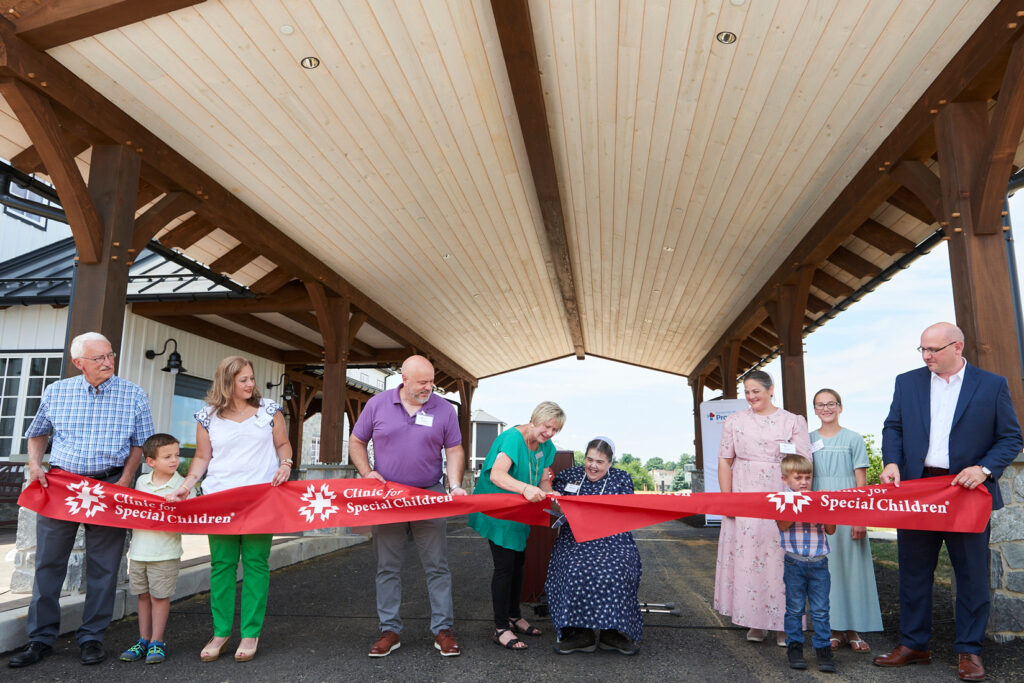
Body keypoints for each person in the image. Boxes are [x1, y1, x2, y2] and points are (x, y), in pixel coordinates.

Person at [874, 322, 1022, 682]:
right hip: (918, 491)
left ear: (957, 347)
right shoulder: (907, 382)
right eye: (922, 349)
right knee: (913, 572)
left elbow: (1010, 438)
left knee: (972, 575)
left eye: (933, 350)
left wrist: (984, 469)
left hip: (966, 493)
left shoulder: (992, 385)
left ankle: (969, 651)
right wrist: (891, 462)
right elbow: (894, 427)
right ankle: (914, 645)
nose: (926, 356)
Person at [8, 332, 154, 669]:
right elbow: (38, 431)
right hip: (63, 486)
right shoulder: (57, 391)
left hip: (109, 486)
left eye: (110, 355)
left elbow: (141, 443)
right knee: (48, 564)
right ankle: (40, 639)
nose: (108, 362)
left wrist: (126, 479)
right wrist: (35, 465)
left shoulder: (134, 394)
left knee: (104, 567)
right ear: (79, 363)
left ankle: (91, 638)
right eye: (99, 358)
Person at [166, 356, 293, 663]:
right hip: (220, 501)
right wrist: (187, 484)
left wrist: (286, 464)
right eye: (243, 380)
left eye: (251, 378)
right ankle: (220, 633)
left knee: (256, 564)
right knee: (222, 566)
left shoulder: (269, 410)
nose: (250, 384)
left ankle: (250, 633)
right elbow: (202, 457)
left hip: (260, 499)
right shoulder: (207, 416)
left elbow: (282, 445)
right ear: (227, 382)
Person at [349, 355, 466, 658]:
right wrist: (366, 472)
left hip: (428, 495)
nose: (429, 387)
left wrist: (454, 484)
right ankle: (389, 630)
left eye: (432, 382)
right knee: (387, 567)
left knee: (437, 566)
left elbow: (454, 449)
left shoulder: (444, 409)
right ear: (404, 379)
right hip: (388, 497)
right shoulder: (377, 404)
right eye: (422, 382)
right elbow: (356, 441)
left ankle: (443, 630)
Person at [714, 370, 811, 648]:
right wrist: (727, 498)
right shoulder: (734, 421)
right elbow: (724, 461)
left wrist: (799, 499)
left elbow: (804, 461)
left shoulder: (792, 421)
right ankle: (754, 621)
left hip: (780, 494)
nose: (750, 396)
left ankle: (784, 624)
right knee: (749, 558)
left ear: (770, 390)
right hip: (744, 495)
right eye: (746, 392)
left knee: (781, 559)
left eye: (755, 391)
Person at [469, 401, 565, 651]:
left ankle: (514, 615)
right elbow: (496, 475)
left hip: (520, 512)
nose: (550, 433)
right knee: (505, 566)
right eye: (547, 427)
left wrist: (552, 495)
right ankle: (501, 627)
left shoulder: (546, 446)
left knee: (519, 562)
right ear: (534, 420)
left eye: (555, 430)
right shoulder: (513, 439)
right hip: (498, 509)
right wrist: (525, 488)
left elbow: (543, 479)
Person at [546, 437, 643, 656]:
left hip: (612, 536)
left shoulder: (621, 478)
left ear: (610, 462)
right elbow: (553, 503)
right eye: (589, 459)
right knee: (574, 568)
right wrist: (557, 501)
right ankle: (580, 633)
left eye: (600, 462)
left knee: (619, 568)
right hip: (575, 536)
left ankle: (612, 633)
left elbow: (626, 510)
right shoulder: (569, 476)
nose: (593, 466)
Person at [809, 388, 882, 652]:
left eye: (831, 403)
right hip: (820, 512)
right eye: (820, 404)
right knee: (827, 572)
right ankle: (833, 629)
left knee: (853, 570)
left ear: (840, 407)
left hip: (848, 509)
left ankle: (853, 629)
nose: (826, 408)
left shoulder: (854, 438)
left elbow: (861, 483)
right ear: (815, 410)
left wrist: (859, 517)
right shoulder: (808, 440)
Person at [119, 433, 194, 665]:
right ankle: (143, 639)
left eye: (177, 455)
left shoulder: (182, 486)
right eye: (167, 456)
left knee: (159, 597)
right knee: (142, 596)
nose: (175, 460)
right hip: (138, 552)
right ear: (151, 461)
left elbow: (188, 517)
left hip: (165, 553)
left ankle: (157, 641)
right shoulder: (141, 482)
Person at [776, 454, 836, 673]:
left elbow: (831, 530)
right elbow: (782, 525)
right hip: (795, 563)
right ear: (785, 480)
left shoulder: (819, 498)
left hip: (819, 564)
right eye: (798, 477)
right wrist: (801, 504)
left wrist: (822, 506)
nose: (804, 482)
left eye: (807, 477)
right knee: (794, 609)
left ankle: (823, 649)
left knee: (820, 610)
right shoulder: (781, 500)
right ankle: (795, 648)